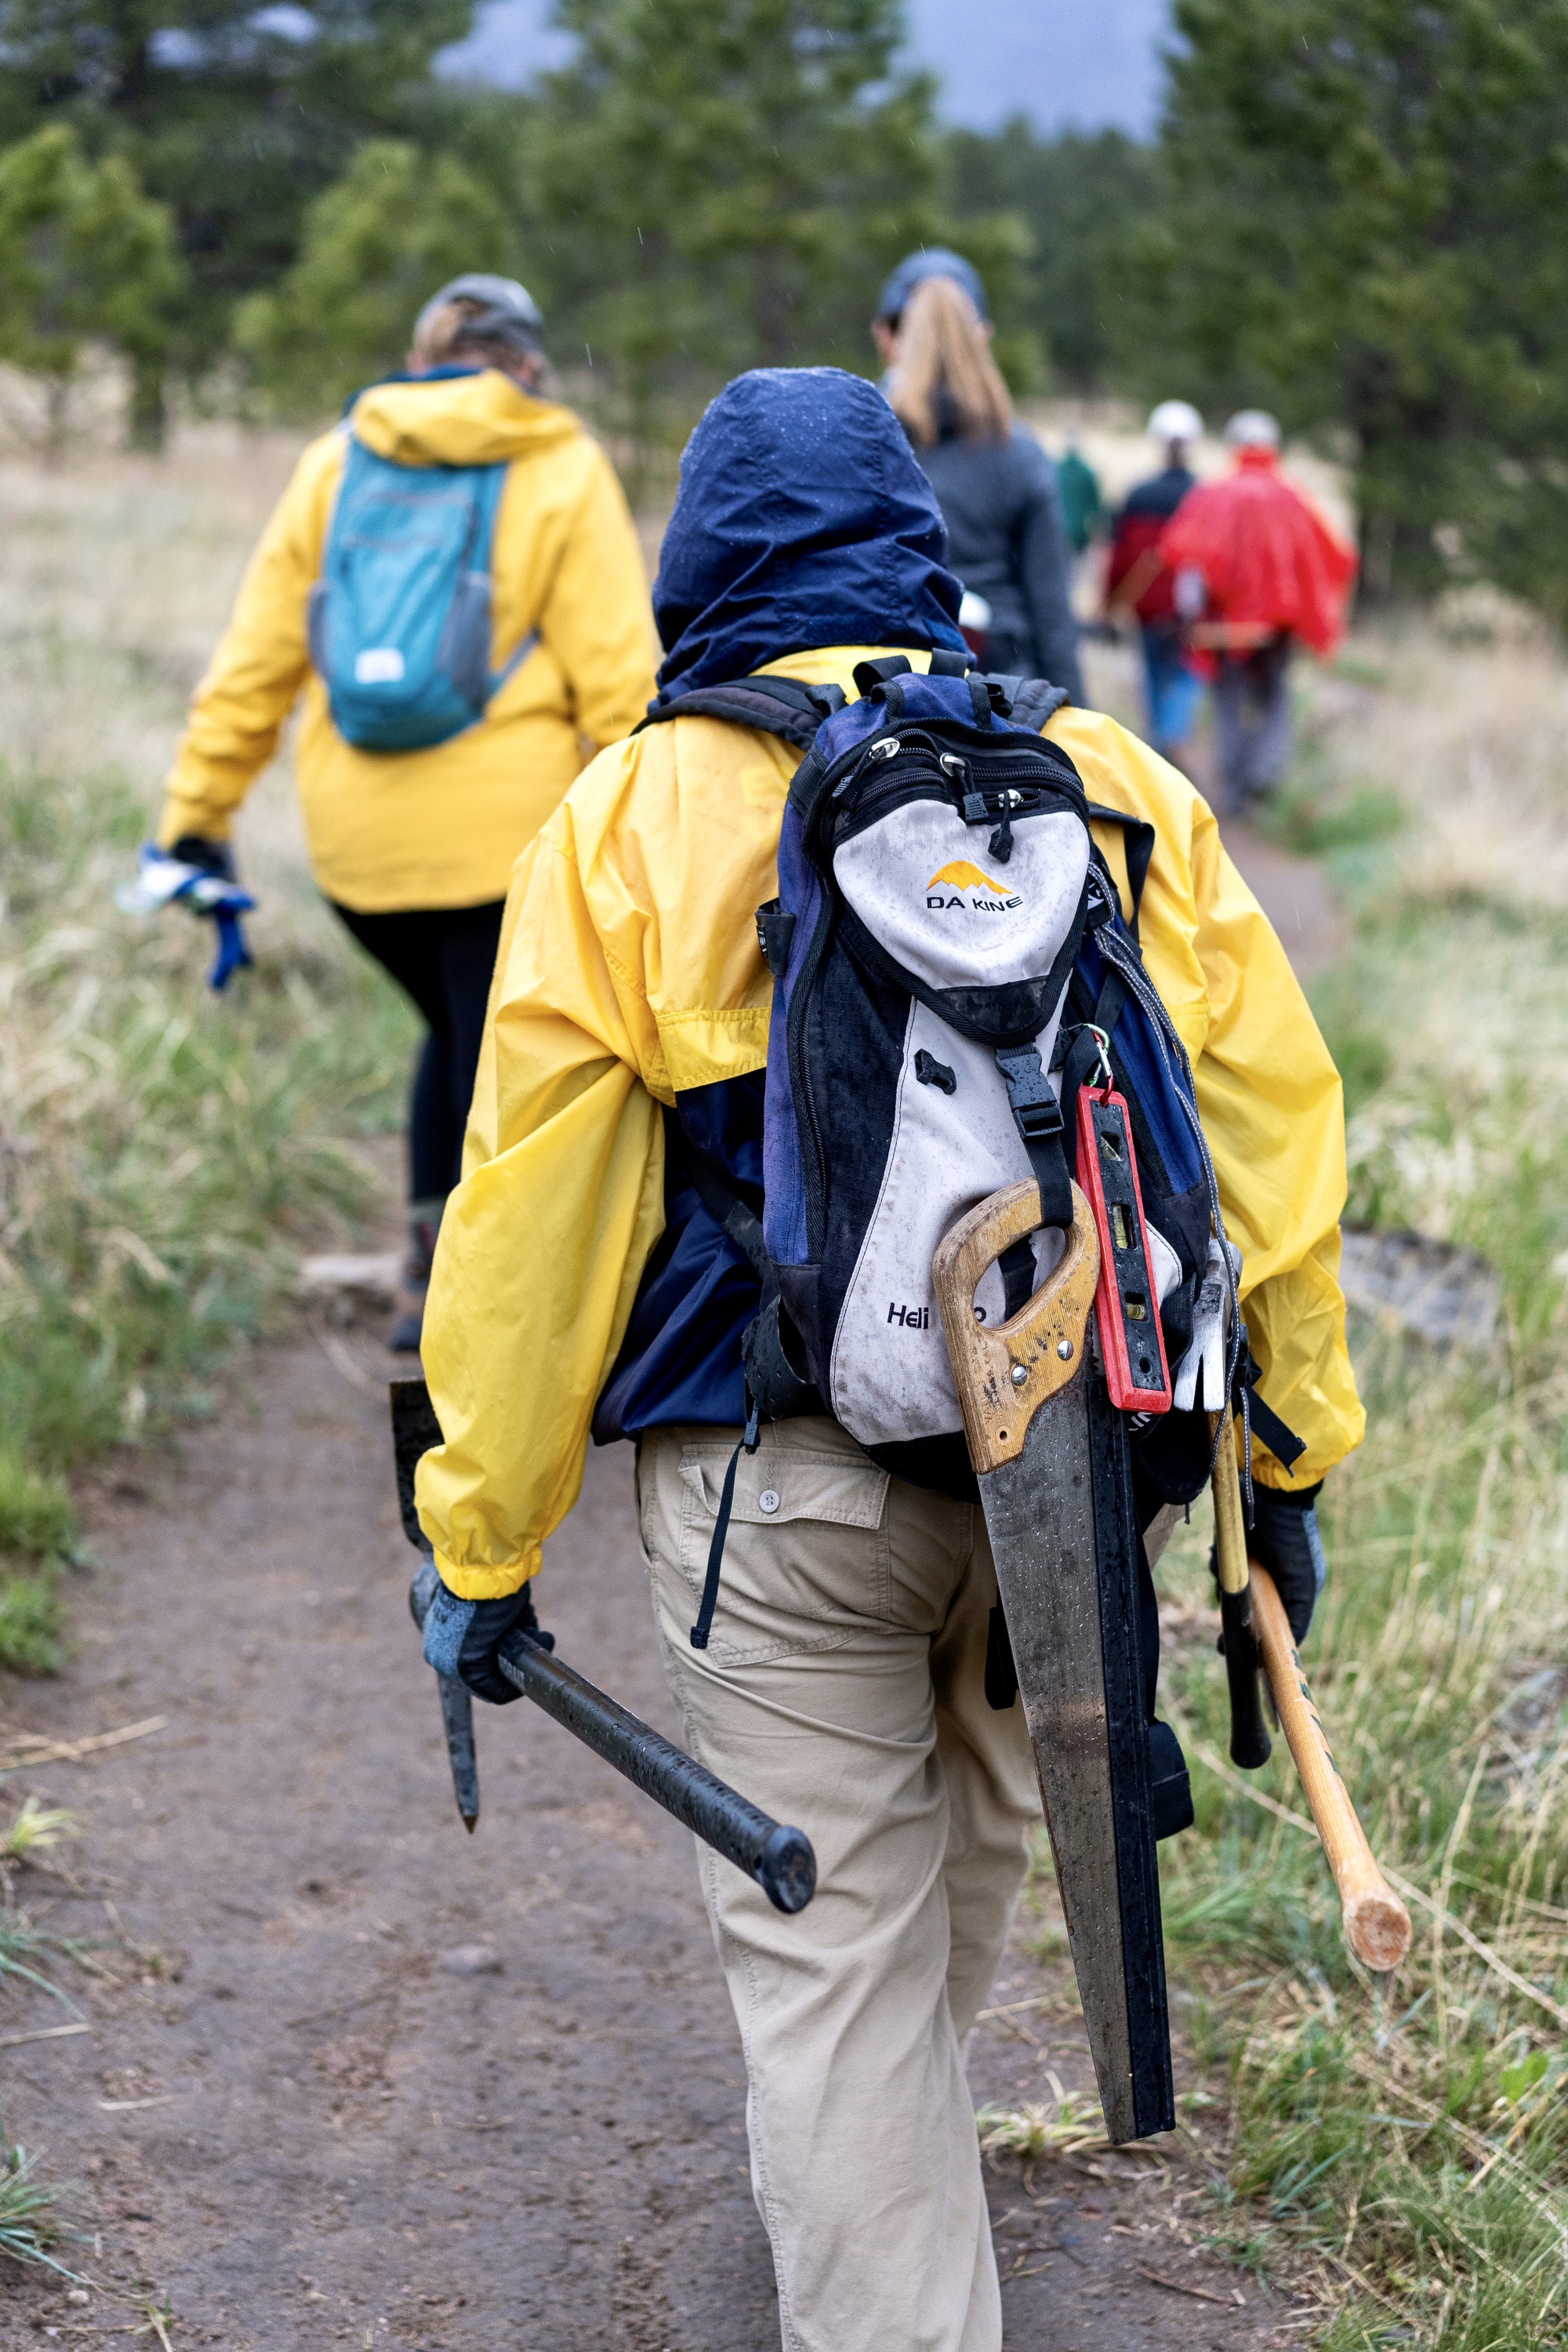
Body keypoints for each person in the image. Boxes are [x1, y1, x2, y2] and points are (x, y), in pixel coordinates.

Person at [410, 367, 1364, 2352]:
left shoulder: (631, 820)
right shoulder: (1104, 777)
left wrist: (480, 1539)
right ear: (917, 547)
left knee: (829, 1965)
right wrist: (1284, 1464)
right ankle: (879, 2206)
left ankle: (877, 2254)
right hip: (1073, 1484)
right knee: (936, 1911)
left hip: (779, 1489)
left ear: (697, 566)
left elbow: (528, 1226)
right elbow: (1271, 1139)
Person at [152, 273, 657, 1347]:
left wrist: (197, 810)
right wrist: (655, 835)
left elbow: (256, 662)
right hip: (502, 845)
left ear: (425, 356)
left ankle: (433, 1262)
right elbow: (620, 683)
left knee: (458, 1032)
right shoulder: (559, 463)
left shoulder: (335, 461)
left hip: (356, 852)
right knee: (501, 1062)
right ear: (526, 365)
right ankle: (494, 1312)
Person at [872, 251, 1083, 700]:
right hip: (1004, 692)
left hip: (885, 697)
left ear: (886, 336)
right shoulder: (1020, 452)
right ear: (982, 335)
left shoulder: (862, 443)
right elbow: (1052, 612)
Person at [1160, 408, 1358, 814]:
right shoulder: (1292, 497)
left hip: (1226, 627)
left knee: (1229, 699)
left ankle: (1234, 786)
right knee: (1274, 698)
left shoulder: (1213, 496)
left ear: (1235, 446)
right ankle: (1264, 772)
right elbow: (1330, 558)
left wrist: (1192, 618)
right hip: (1277, 626)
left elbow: (1185, 558)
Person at [1104, 398, 1203, 769]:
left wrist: (1108, 604)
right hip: (1189, 611)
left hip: (1144, 605)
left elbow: (1117, 557)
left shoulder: (1137, 495)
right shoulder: (1204, 496)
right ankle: (1172, 733)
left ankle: (1158, 748)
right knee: (1188, 672)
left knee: (1152, 674)